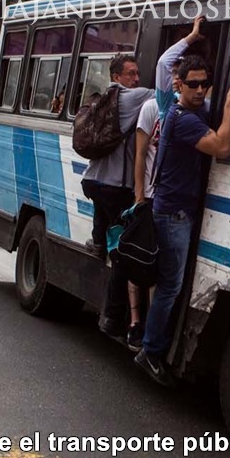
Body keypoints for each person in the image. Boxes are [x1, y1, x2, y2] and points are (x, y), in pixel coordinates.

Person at [134, 55, 230, 385]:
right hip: (172, 215)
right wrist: (228, 109)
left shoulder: (193, 111)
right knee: (170, 286)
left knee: (170, 284)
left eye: (204, 84)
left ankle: (153, 346)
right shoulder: (183, 119)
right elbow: (222, 148)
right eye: (193, 84)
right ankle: (150, 352)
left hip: (178, 211)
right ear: (179, 85)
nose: (200, 90)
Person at [82, 54, 155, 344]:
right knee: (122, 254)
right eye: (131, 74)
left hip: (95, 181)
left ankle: (98, 242)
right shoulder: (128, 99)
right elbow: (161, 93)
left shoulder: (105, 101)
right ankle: (112, 318)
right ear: (116, 77)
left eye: (137, 74)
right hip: (113, 187)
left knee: (106, 240)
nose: (136, 79)